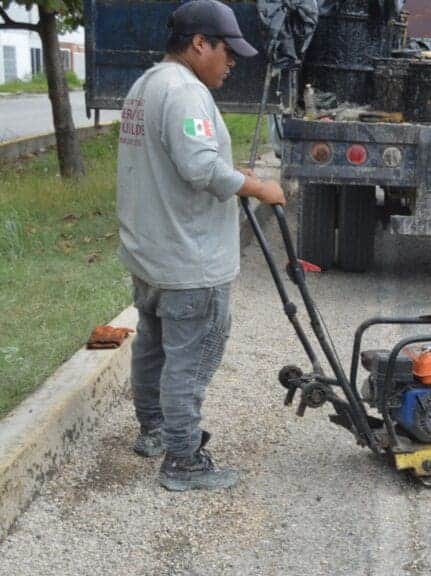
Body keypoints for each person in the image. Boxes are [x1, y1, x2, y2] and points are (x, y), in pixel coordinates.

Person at [117, 0, 286, 491]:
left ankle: (153, 430)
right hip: (189, 259)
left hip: (151, 253)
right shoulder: (185, 93)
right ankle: (184, 459)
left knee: (153, 348)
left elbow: (177, 162)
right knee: (191, 357)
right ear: (199, 44)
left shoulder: (145, 85)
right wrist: (259, 188)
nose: (232, 63)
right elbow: (200, 168)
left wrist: (240, 176)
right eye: (227, 51)